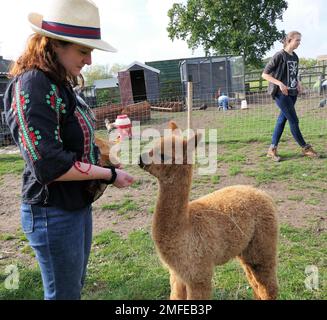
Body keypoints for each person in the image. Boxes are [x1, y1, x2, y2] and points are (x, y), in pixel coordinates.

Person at [4, 0, 134, 300]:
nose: (89, 61)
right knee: (63, 295)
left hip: (73, 206)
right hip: (52, 211)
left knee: (70, 290)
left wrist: (106, 163)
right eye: (83, 51)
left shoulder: (57, 84)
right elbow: (48, 163)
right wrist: (110, 175)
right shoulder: (33, 84)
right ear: (54, 45)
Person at [262, 31, 318, 162]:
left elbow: (293, 74)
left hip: (293, 94)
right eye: (297, 40)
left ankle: (272, 149)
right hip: (281, 94)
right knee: (294, 120)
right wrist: (280, 84)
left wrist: (298, 83)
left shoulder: (295, 57)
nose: (299, 43)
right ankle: (305, 148)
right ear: (289, 41)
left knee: (282, 120)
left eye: (299, 40)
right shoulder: (279, 56)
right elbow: (264, 75)